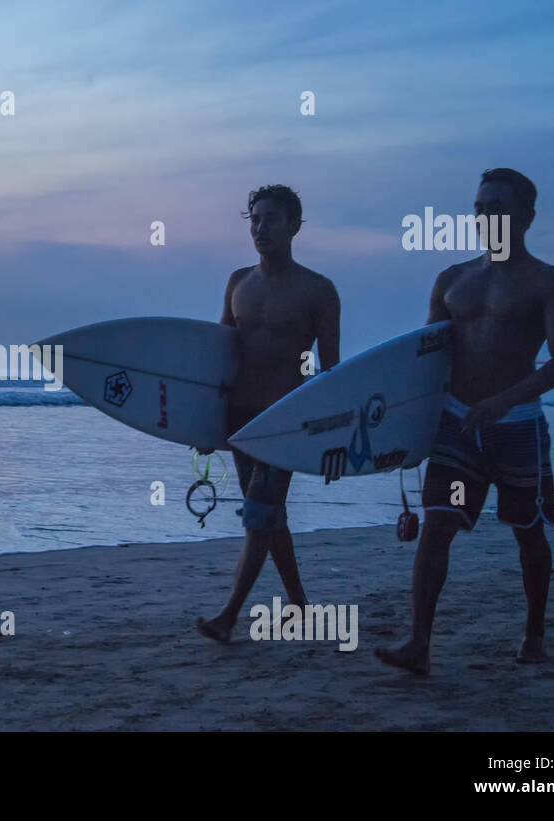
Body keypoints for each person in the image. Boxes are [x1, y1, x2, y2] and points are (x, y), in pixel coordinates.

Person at [376, 168, 554, 675]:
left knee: (527, 531)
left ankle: (534, 634)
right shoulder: (452, 280)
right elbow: (425, 357)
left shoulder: (546, 281)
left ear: (526, 216)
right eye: (481, 207)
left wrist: (505, 401)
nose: (487, 216)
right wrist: (400, 427)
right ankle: (418, 644)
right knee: (437, 526)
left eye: (499, 207)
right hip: (457, 423)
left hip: (518, 426)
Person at [196, 185, 341, 644]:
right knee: (270, 515)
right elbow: (220, 356)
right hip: (241, 416)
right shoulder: (238, 282)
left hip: (286, 416)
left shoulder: (318, 290)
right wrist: (202, 422)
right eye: (255, 219)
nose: (260, 228)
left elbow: (332, 370)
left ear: (295, 225)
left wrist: (328, 435)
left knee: (258, 512)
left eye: (271, 219)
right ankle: (299, 605)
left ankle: (229, 616)